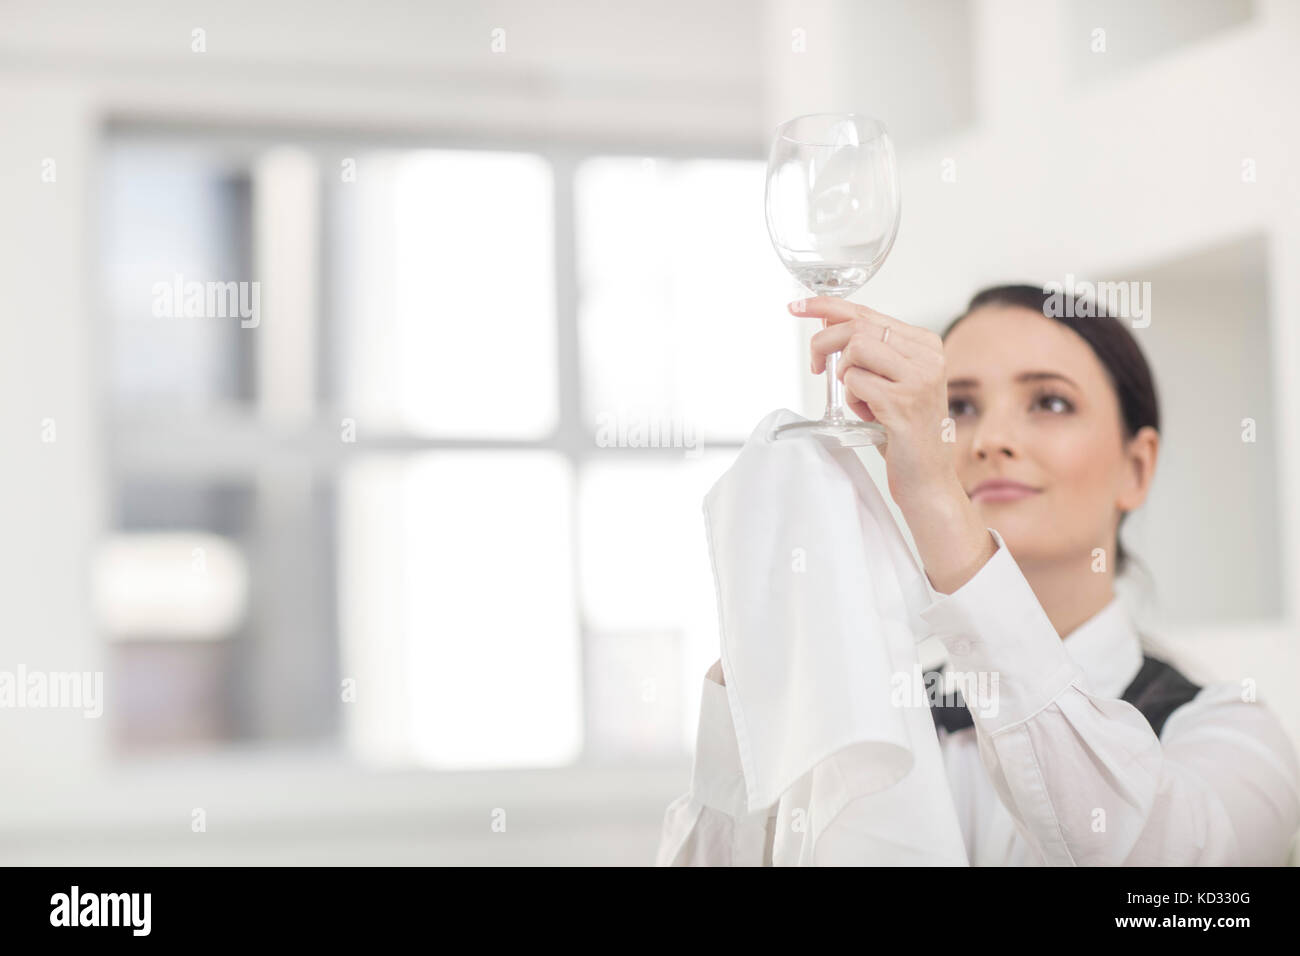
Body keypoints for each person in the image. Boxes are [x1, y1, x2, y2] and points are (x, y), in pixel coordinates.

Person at [657, 284, 1300, 866]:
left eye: (1050, 402)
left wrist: (939, 503)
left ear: (1137, 467)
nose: (991, 439)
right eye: (959, 405)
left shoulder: (1234, 735)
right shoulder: (867, 713)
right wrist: (754, 660)